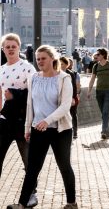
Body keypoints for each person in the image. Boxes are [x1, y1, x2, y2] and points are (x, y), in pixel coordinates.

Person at [7, 45, 77, 209]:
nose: (40, 61)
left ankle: (72, 202)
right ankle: (22, 204)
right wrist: (27, 128)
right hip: (38, 129)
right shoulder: (34, 78)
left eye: (43, 58)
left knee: (64, 166)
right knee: (32, 168)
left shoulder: (64, 78)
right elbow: (30, 104)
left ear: (52, 59)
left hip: (61, 130)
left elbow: (65, 106)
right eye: (37, 59)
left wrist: (47, 120)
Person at [0, 33, 38, 208]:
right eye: (7, 46)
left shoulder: (27, 68)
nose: (10, 49)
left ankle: (31, 194)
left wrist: (14, 95)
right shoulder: (1, 69)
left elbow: (35, 94)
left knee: (28, 160)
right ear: (2, 49)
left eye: (13, 46)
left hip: (23, 119)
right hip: (4, 119)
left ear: (19, 47)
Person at [87, 48, 109, 140]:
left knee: (105, 112)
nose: (96, 56)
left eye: (98, 54)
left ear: (103, 55)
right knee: (104, 113)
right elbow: (92, 79)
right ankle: (107, 131)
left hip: (108, 91)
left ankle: (104, 132)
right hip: (99, 92)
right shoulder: (96, 66)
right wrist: (89, 91)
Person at [59, 57, 81, 139]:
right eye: (59, 64)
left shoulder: (70, 73)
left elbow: (74, 87)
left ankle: (75, 132)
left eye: (62, 64)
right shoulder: (56, 73)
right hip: (61, 99)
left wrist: (73, 98)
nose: (60, 66)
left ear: (66, 65)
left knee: (73, 114)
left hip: (71, 98)